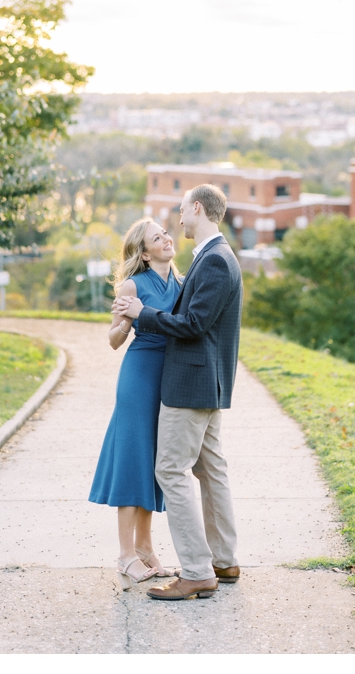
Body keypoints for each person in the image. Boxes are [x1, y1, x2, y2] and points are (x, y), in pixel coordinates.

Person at [113, 183, 244, 601]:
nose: (179, 220)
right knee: (211, 471)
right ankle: (222, 560)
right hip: (204, 384)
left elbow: (193, 325)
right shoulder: (211, 259)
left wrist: (143, 314)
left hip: (190, 384)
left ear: (198, 209)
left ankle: (196, 571)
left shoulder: (214, 262)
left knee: (170, 470)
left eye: (183, 210)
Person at [88, 219, 182, 587]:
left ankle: (145, 548)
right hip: (139, 376)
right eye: (156, 238)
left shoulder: (181, 281)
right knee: (132, 460)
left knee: (153, 463)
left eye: (165, 233)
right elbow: (113, 340)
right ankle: (126, 556)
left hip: (168, 378)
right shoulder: (133, 283)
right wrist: (129, 318)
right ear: (144, 253)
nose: (166, 238)